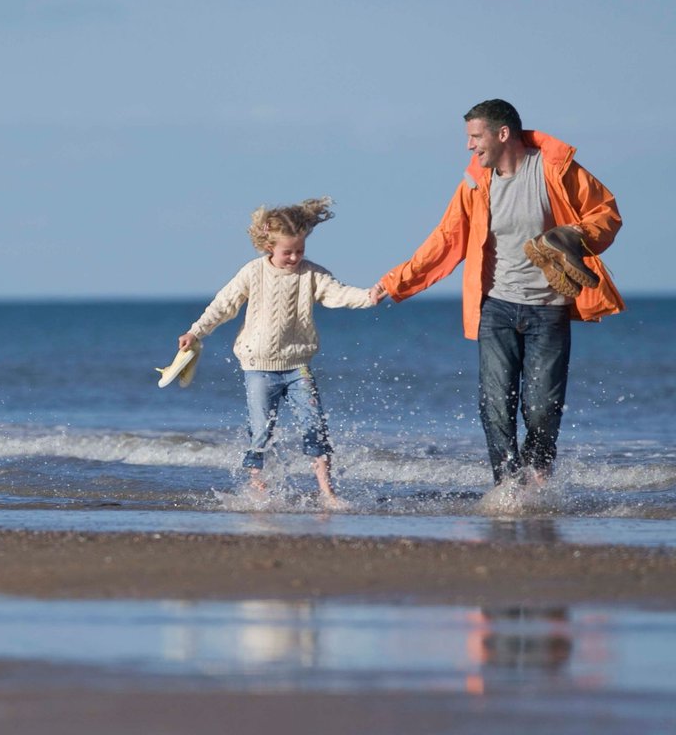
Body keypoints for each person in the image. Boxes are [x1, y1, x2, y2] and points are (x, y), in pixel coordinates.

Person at [373, 99, 624, 487]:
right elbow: (446, 239)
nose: (469, 145)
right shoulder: (476, 183)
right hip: (496, 306)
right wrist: (395, 282)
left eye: (476, 136)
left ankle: (538, 479)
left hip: (549, 307)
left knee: (542, 408)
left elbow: (606, 213)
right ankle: (507, 486)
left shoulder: (555, 168)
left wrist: (577, 235)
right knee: (496, 405)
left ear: (503, 134)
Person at [176, 197, 377, 509]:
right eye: (288, 252)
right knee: (261, 431)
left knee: (315, 427)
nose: (294, 257)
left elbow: (338, 293)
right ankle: (258, 490)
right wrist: (196, 332)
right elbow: (223, 305)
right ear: (269, 246)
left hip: (298, 367)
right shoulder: (252, 272)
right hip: (258, 367)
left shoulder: (312, 275)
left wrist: (369, 296)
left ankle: (327, 493)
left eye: (300, 250)